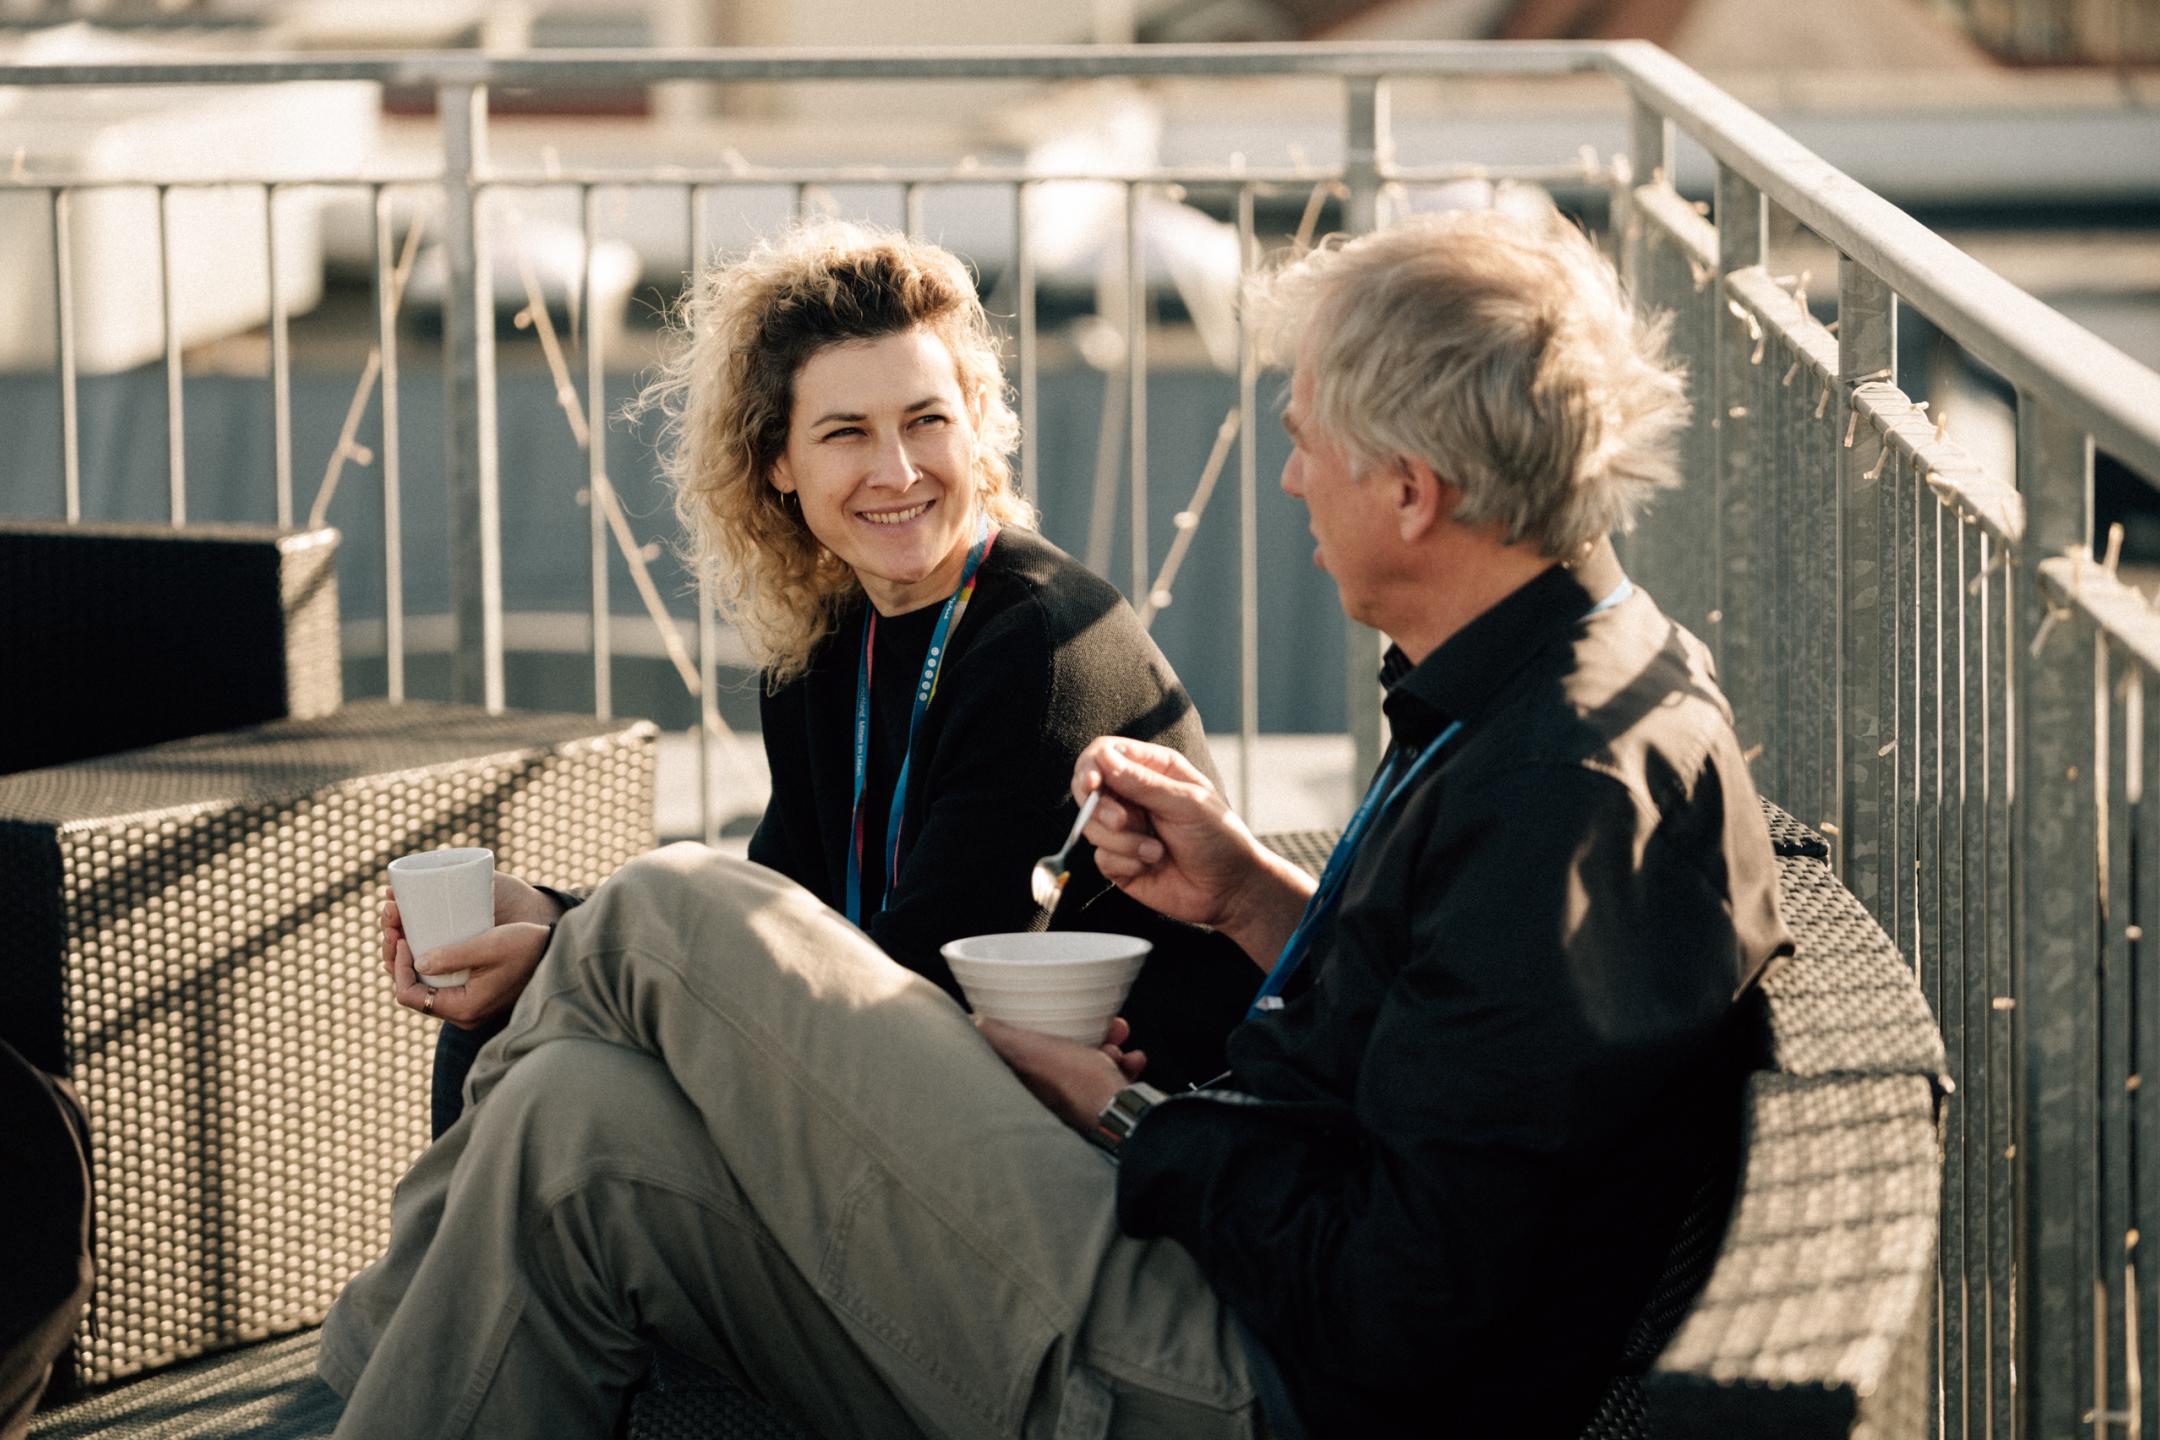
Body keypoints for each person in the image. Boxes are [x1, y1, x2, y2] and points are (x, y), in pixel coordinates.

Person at [322, 200, 1792, 1438]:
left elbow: (1396, 1306)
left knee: (664, 914)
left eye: (1307, 445)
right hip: (1200, 1284)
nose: (1289, 481)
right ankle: (335, 1403)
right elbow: (1438, 1048)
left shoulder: (1559, 794)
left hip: (1226, 1369)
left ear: (1412, 492)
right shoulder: (1545, 695)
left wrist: (1128, 1115)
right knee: (579, 1128)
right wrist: (1257, 901)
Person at [388, 221, 1254, 1128]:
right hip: (899, 1084)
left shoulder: (1041, 644)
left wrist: (569, 948)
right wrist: (552, 915)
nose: (899, 470)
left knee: (573, 1076)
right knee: (498, 1021)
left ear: (976, 428)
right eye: (847, 434)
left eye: (928, 420)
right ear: (778, 467)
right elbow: (788, 909)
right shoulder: (822, 647)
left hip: (1101, 1135)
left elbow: (905, 990)